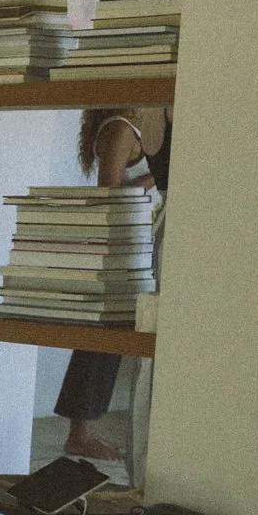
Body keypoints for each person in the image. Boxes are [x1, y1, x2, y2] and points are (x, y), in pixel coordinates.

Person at [56, 106, 167, 461]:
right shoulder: (120, 130)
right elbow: (111, 192)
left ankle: (84, 430)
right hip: (121, 246)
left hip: (135, 242)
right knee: (104, 338)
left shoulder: (130, 129)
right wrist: (160, 177)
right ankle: (81, 432)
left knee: (110, 339)